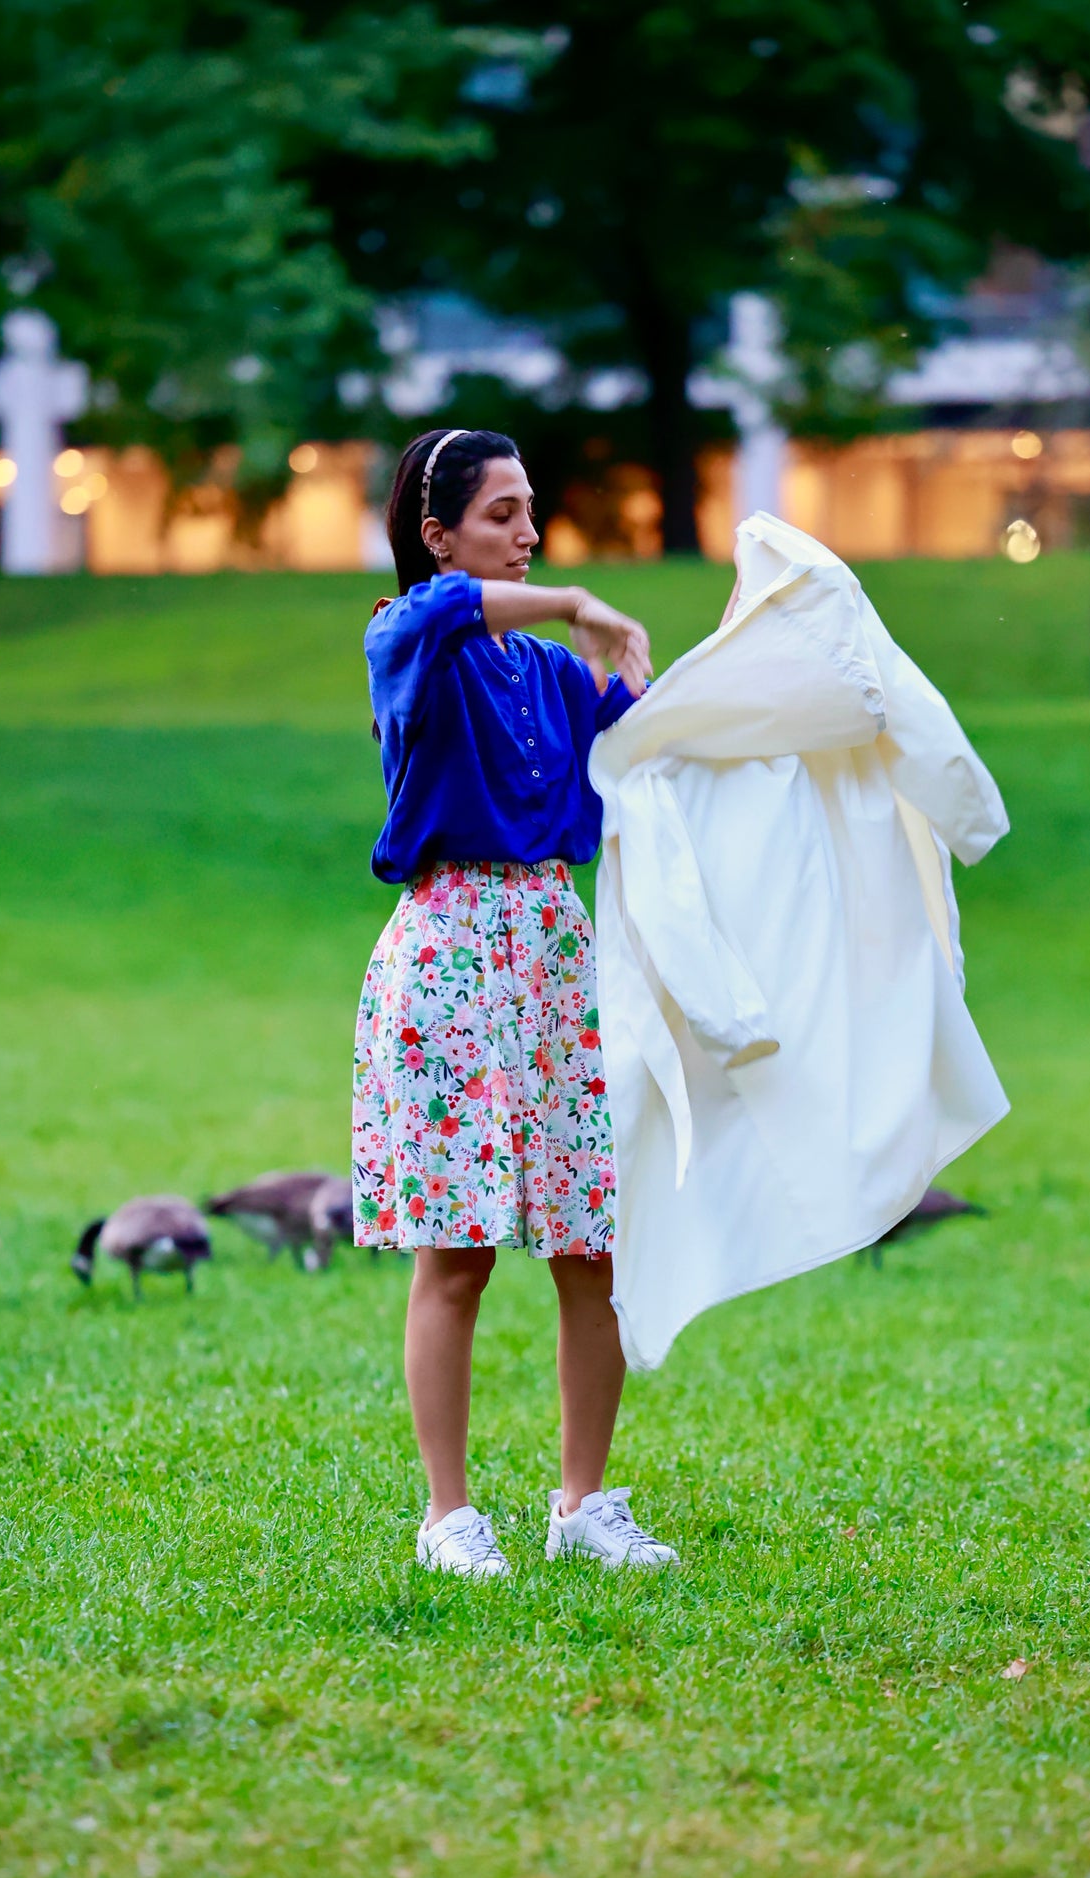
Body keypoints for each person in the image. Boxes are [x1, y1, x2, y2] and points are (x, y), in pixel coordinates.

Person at [353, 426, 680, 1579]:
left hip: (552, 954)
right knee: (458, 1255)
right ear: (437, 534)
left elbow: (636, 751)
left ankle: (581, 1504)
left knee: (591, 1246)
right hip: (448, 958)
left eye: (530, 509)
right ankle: (448, 1515)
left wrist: (652, 678)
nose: (528, 532)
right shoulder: (408, 637)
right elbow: (443, 615)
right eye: (500, 513)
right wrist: (578, 597)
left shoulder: (542, 674)